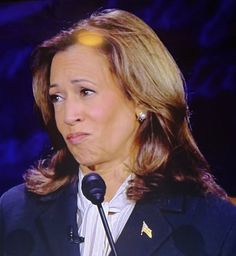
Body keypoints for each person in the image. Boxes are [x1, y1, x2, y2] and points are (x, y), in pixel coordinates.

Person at [0, 8, 236, 256]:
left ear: (141, 99)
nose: (68, 116)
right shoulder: (15, 213)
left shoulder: (213, 226)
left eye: (85, 92)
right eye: (57, 97)